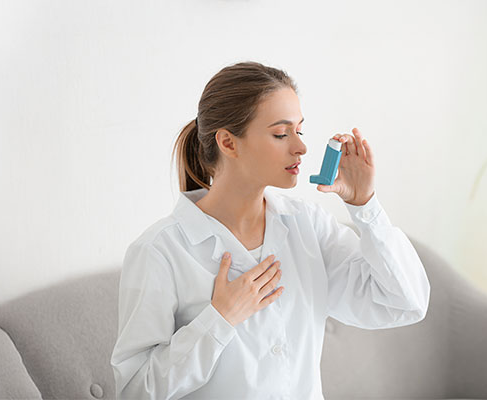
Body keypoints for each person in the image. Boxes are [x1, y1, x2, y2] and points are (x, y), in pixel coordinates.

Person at [110, 61, 430, 400]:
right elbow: (134, 392)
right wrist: (219, 319)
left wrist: (365, 206)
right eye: (281, 134)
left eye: (299, 131)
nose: (301, 148)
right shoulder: (160, 251)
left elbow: (404, 303)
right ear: (228, 143)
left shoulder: (308, 226)